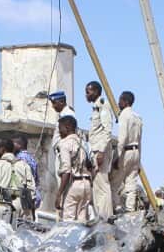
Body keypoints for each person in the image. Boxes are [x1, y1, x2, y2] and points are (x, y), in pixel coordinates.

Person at [86, 81, 116, 219]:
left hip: (100, 150)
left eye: (88, 92)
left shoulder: (103, 106)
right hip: (96, 149)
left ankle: (106, 217)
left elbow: (107, 129)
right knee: (97, 185)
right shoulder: (96, 107)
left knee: (102, 185)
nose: (86, 95)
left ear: (96, 92)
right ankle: (101, 217)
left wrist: (101, 152)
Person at [55, 115, 92, 221]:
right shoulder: (85, 144)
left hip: (73, 185)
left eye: (60, 128)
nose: (59, 132)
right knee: (82, 222)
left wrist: (59, 194)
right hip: (87, 184)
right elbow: (92, 166)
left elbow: (66, 171)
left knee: (68, 222)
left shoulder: (65, 143)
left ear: (67, 127)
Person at [113, 91, 144, 211]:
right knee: (131, 183)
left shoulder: (124, 115)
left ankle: (117, 208)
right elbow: (140, 140)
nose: (118, 103)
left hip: (125, 151)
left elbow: (122, 138)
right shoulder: (138, 117)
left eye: (120, 100)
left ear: (125, 102)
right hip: (135, 151)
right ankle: (130, 209)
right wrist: (139, 161)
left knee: (115, 183)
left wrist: (117, 156)